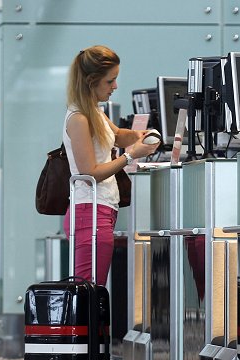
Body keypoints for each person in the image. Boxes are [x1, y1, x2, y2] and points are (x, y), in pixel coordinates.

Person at [64, 45, 158, 285]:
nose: (115, 87)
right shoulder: (79, 118)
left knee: (92, 290)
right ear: (91, 82)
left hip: (99, 211)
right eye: (110, 81)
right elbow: (90, 173)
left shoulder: (93, 112)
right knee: (88, 290)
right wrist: (130, 156)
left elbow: (117, 135)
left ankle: (96, 325)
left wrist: (139, 136)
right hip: (90, 212)